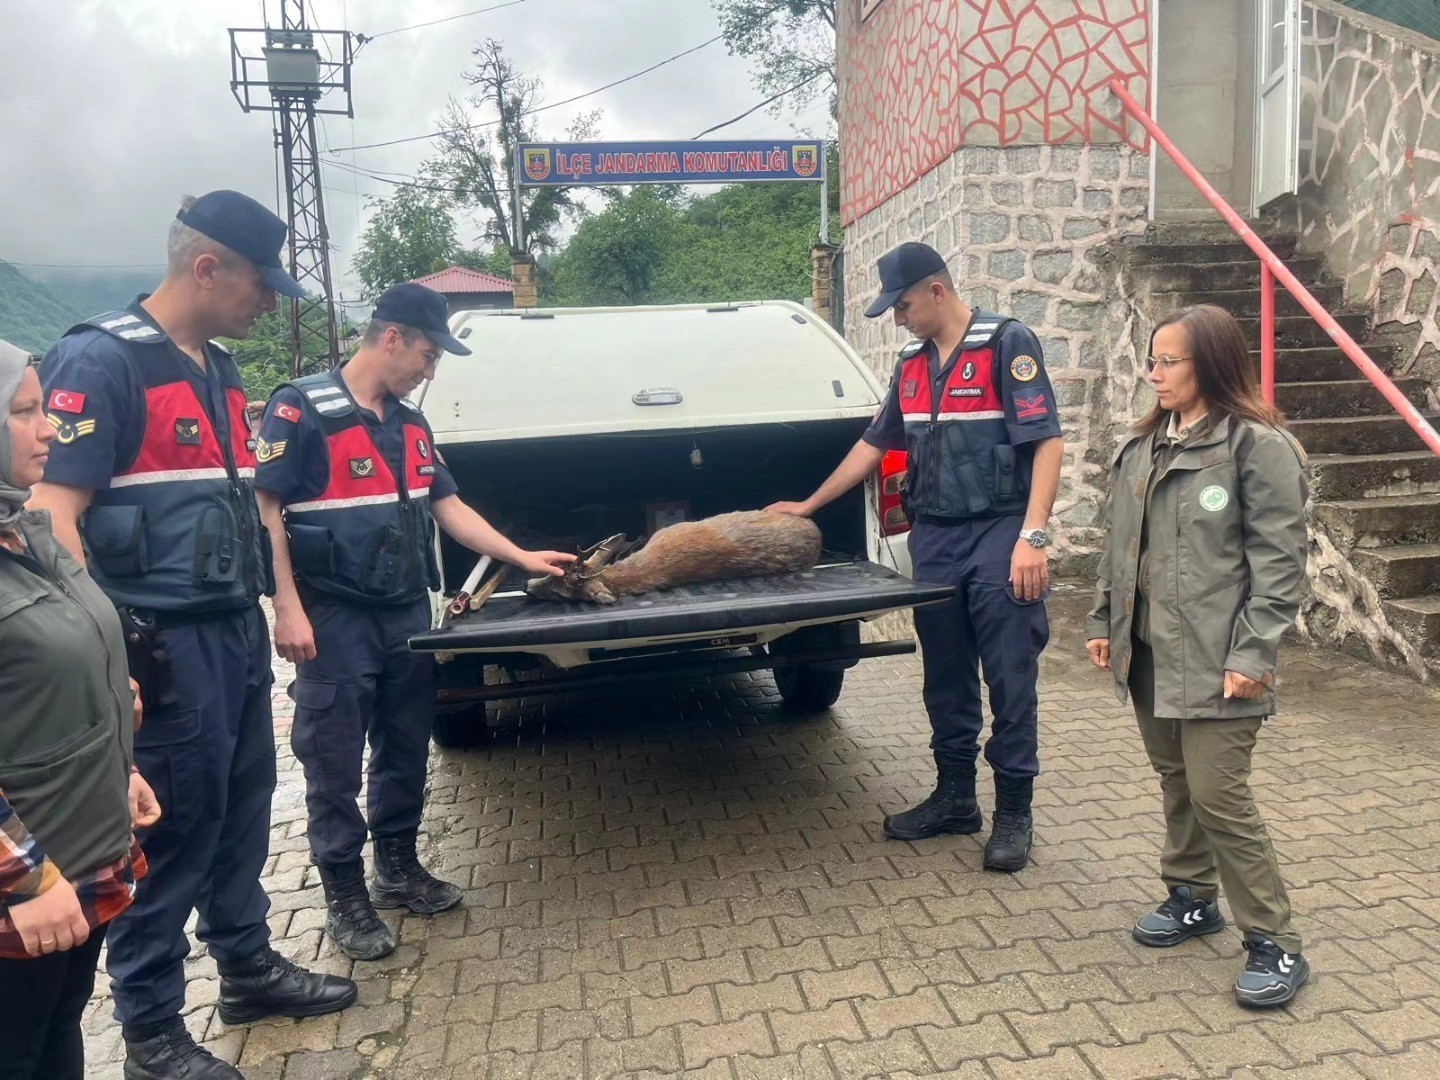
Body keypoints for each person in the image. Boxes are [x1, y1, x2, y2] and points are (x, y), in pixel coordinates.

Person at [30, 192, 356, 1080]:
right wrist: (105, 662)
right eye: (261, 283)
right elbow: (54, 518)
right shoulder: (100, 362)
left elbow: (253, 504)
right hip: (161, 647)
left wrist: (280, 605)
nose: (271, 302)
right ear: (206, 267)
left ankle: (247, 966)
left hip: (233, 631)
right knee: (170, 834)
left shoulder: (216, 366)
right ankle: (150, 1032)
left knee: (243, 808)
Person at [253, 282, 575, 960]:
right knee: (332, 760)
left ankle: (397, 867)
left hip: (404, 610)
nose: (429, 371)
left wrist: (521, 557)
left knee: (404, 746)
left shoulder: (410, 424)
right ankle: (345, 896)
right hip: (333, 616)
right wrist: (285, 604)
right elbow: (265, 510)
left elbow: (448, 507)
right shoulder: (300, 408)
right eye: (427, 355)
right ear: (391, 336)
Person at [768, 241, 1063, 871]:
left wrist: (1032, 537)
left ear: (937, 290)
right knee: (945, 673)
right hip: (936, 539)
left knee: (1010, 675)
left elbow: (1047, 443)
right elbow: (874, 444)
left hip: (998, 533)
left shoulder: (1008, 344)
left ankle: (1014, 812)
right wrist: (808, 506)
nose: (897, 318)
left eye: (902, 305)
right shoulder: (910, 365)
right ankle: (956, 798)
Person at [1085, 304, 1311, 1007]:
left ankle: (1275, 943)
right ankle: (1191, 896)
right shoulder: (1144, 447)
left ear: (1210, 362)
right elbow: (1121, 545)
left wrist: (1254, 653)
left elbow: (1280, 566)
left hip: (1222, 659)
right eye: (1151, 360)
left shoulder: (1256, 446)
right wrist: (1103, 618)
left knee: (1220, 794)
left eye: (1168, 360)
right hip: (1152, 648)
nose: (1153, 372)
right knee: (1176, 778)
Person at [0, 339, 160, 1080]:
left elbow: (70, 672)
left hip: (81, 855)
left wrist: (118, 772)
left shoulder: (26, 530)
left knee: (57, 1035)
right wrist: (23, 882)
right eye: (25, 411)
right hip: (26, 892)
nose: (49, 429)